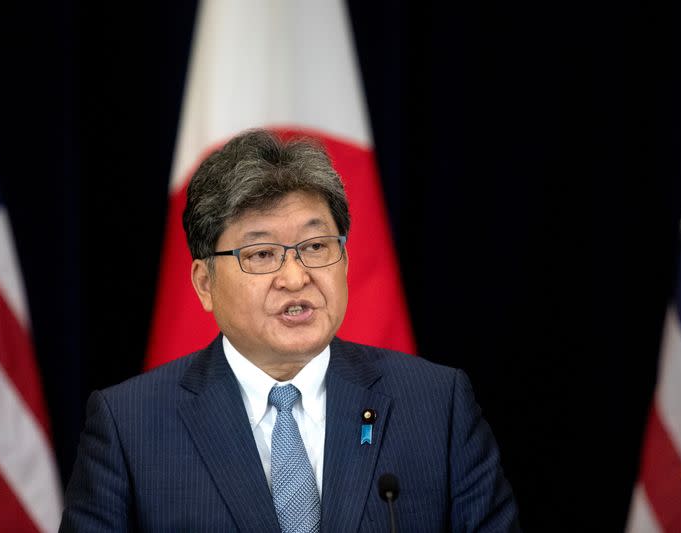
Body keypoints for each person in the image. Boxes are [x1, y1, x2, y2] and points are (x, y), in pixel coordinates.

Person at [60, 129, 521, 532]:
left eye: (316, 246)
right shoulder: (129, 426)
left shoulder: (437, 405)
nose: (296, 277)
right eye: (262, 254)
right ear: (205, 283)